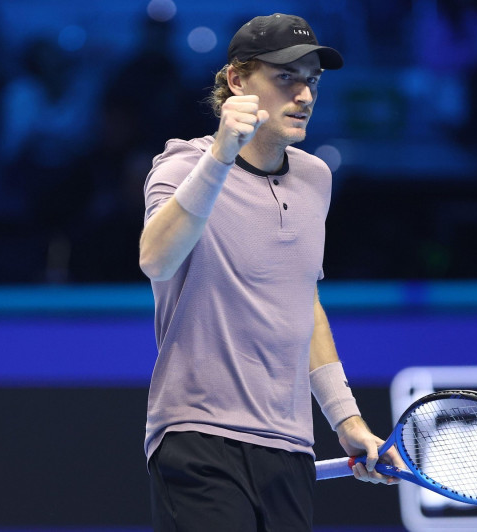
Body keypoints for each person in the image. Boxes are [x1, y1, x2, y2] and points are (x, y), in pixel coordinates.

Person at [139, 13, 399, 531]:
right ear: (237, 80)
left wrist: (346, 420)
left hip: (291, 445)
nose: (304, 95)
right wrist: (221, 154)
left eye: (312, 81)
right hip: (198, 435)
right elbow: (156, 259)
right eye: (285, 78)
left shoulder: (315, 178)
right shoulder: (184, 164)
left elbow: (303, 303)